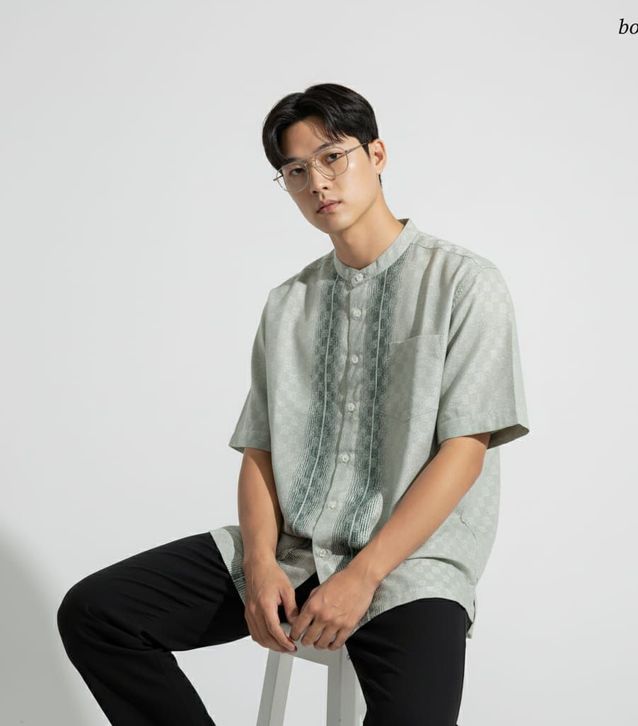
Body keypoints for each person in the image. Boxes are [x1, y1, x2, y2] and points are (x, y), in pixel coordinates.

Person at [57, 82, 530, 726]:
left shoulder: (465, 283)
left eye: (333, 157)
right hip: (292, 550)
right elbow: (259, 450)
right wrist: (258, 566)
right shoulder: (287, 305)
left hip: (410, 566)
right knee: (97, 614)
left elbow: (465, 451)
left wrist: (362, 576)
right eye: (296, 171)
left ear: (377, 154)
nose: (318, 183)